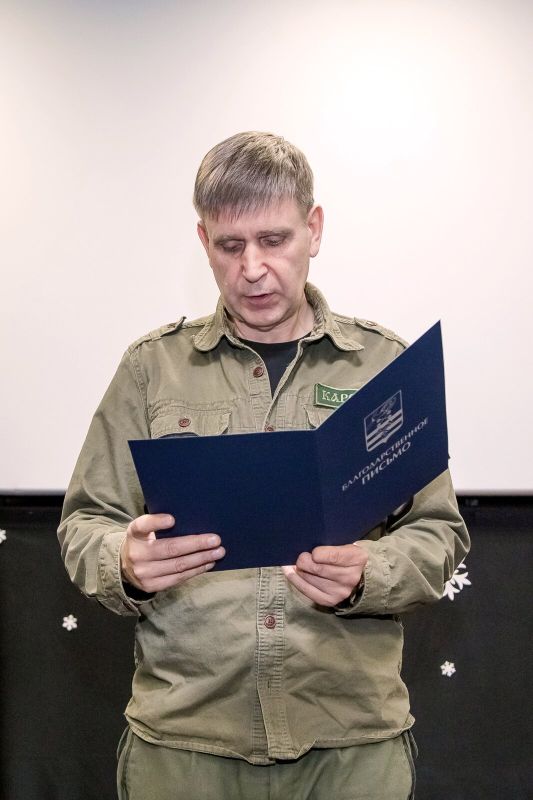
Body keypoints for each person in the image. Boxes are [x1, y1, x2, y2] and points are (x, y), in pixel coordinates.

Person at [58, 131, 470, 800]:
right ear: (203, 242)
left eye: (274, 240)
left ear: (314, 229)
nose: (252, 268)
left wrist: (370, 571)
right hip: (185, 744)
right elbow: (85, 524)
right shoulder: (150, 369)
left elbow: (438, 532)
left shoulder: (381, 366)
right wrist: (124, 562)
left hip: (350, 743)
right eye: (230, 245)